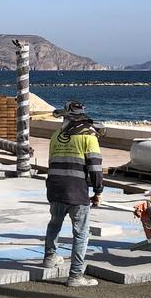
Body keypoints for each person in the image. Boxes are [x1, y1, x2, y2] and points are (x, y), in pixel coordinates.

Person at [42, 101, 104, 287]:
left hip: (54, 187)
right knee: (81, 233)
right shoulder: (89, 137)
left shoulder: (56, 135)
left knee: (54, 223)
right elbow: (95, 168)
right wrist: (98, 191)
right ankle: (76, 275)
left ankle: (50, 257)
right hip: (76, 191)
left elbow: (51, 162)